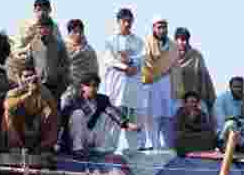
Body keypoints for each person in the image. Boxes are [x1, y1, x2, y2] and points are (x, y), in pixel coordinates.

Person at [62, 72, 140, 154]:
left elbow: (113, 112)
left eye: (96, 86)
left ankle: (100, 147)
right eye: (91, 85)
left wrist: (127, 124)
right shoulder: (72, 99)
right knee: (78, 113)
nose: (93, 88)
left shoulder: (102, 99)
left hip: (91, 136)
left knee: (106, 114)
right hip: (75, 138)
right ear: (83, 86)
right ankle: (77, 149)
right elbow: (63, 119)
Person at [101, 8, 143, 151]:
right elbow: (108, 60)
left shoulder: (138, 41)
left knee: (133, 123)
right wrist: (124, 67)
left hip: (132, 91)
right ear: (118, 22)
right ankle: (108, 151)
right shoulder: (110, 41)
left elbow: (142, 58)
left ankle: (135, 152)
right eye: (124, 21)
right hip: (116, 89)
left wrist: (131, 61)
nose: (127, 24)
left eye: (130, 21)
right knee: (113, 122)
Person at [4, 62, 59, 152]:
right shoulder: (14, 92)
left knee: (53, 113)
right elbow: (7, 105)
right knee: (7, 113)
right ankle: (16, 146)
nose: (29, 79)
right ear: (20, 78)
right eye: (26, 76)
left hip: (36, 127)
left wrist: (40, 87)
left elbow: (53, 110)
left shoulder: (43, 91)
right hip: (19, 129)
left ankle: (45, 147)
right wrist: (27, 93)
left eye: (31, 76)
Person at [7, 0, 61, 83]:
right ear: (34, 10)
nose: (42, 13)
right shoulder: (26, 25)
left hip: (47, 67)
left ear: (50, 10)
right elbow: (17, 48)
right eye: (39, 10)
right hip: (25, 63)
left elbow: (59, 47)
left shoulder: (54, 27)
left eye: (45, 10)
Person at [140, 17, 175, 150]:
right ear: (153, 28)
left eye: (164, 27)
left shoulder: (172, 46)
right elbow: (146, 63)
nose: (162, 30)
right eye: (159, 27)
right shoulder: (147, 43)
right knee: (152, 116)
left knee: (167, 116)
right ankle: (153, 145)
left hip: (167, 84)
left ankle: (167, 146)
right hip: (151, 83)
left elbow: (175, 67)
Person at [26, 15, 68, 101]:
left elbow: (65, 65)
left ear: (51, 28)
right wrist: (32, 78)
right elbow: (29, 65)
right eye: (40, 28)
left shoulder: (59, 45)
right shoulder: (33, 44)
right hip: (39, 86)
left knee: (54, 112)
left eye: (46, 27)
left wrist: (61, 83)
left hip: (55, 87)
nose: (43, 30)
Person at [63, 19, 97, 108]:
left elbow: (94, 71)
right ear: (69, 33)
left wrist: (91, 88)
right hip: (66, 90)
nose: (78, 34)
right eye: (75, 31)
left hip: (84, 91)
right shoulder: (61, 48)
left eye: (80, 32)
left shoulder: (89, 50)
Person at [212, 76, 244, 149]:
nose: (239, 89)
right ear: (230, 87)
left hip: (240, 134)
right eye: (236, 87)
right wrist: (235, 120)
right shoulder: (222, 99)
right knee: (231, 123)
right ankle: (225, 147)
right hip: (224, 134)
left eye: (241, 87)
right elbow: (220, 122)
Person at [172, 90, 216, 155]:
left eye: (196, 102)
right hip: (185, 138)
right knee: (180, 136)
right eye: (191, 102)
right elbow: (179, 128)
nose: (194, 104)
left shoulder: (201, 113)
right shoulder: (180, 112)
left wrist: (194, 124)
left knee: (210, 134)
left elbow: (206, 127)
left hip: (198, 136)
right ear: (185, 103)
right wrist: (190, 120)